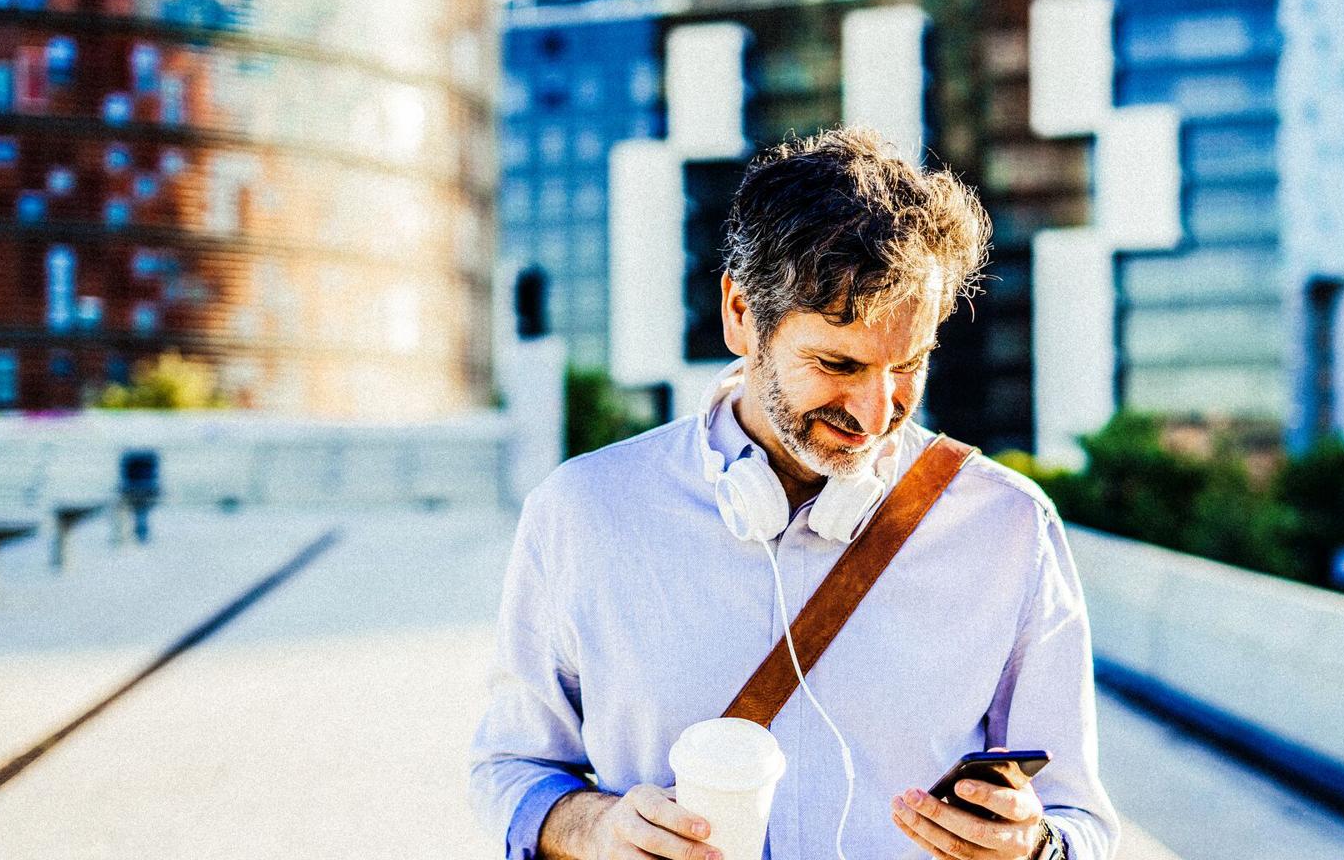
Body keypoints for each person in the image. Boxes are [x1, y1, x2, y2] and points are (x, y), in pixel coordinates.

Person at [469, 127, 1120, 860]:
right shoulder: (583, 512)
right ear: (741, 315)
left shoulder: (1010, 526)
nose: (875, 413)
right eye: (838, 364)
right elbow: (511, 767)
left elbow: (1079, 819)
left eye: (908, 364)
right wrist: (593, 829)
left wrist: (1037, 846)